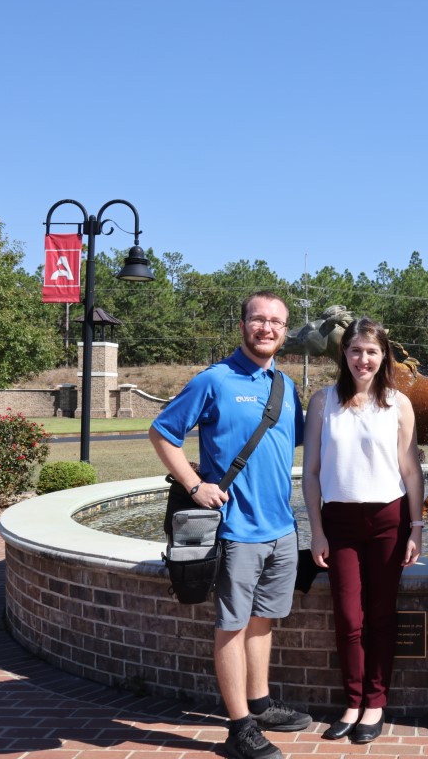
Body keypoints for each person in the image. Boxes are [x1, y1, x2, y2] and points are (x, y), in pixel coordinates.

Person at [149, 291, 312, 759]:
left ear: (285, 330)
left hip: (281, 528)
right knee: (232, 627)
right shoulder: (214, 380)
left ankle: (259, 703)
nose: (267, 328)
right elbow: (162, 432)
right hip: (235, 530)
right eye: (258, 320)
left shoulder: (284, 385)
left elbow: (296, 444)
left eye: (276, 322)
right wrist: (195, 484)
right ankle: (238, 726)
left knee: (263, 621)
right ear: (243, 325)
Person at [301, 318, 425, 744]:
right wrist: (316, 530)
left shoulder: (398, 403)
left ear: (383, 356)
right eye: (356, 351)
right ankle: (352, 702)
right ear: (344, 355)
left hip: (387, 521)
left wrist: (417, 527)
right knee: (349, 618)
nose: (363, 359)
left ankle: (375, 702)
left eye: (371, 351)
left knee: (382, 616)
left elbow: (411, 471)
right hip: (340, 523)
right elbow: (312, 473)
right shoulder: (322, 403)